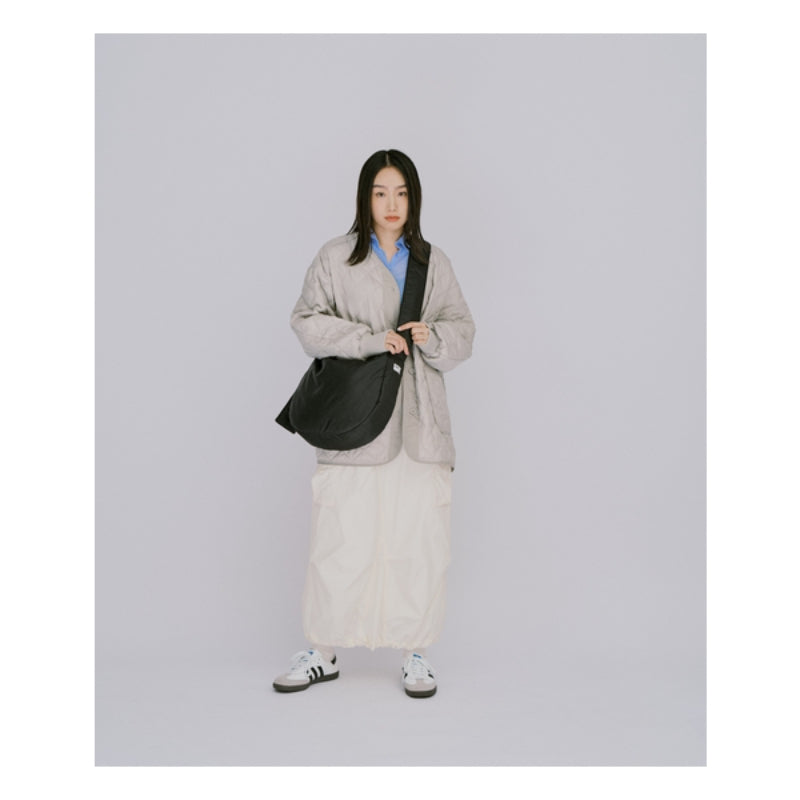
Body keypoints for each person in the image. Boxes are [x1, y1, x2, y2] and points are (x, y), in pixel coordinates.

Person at [272, 149, 475, 698]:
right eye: (381, 192)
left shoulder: (433, 262)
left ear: (414, 199)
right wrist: (367, 340)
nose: (392, 204)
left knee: (419, 539)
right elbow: (306, 321)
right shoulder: (335, 258)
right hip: (355, 420)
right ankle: (323, 651)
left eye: (402, 193)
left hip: (418, 422)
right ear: (365, 197)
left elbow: (464, 330)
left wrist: (434, 336)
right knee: (341, 537)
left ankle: (416, 654)